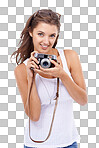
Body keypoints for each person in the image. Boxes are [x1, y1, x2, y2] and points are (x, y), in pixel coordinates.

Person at [11, 9, 88, 148]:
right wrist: (31, 79)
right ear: (30, 32)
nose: (46, 41)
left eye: (52, 35)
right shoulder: (22, 69)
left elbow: (83, 100)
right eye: (40, 34)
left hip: (68, 143)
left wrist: (63, 75)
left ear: (57, 35)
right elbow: (34, 116)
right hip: (36, 144)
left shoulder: (69, 57)